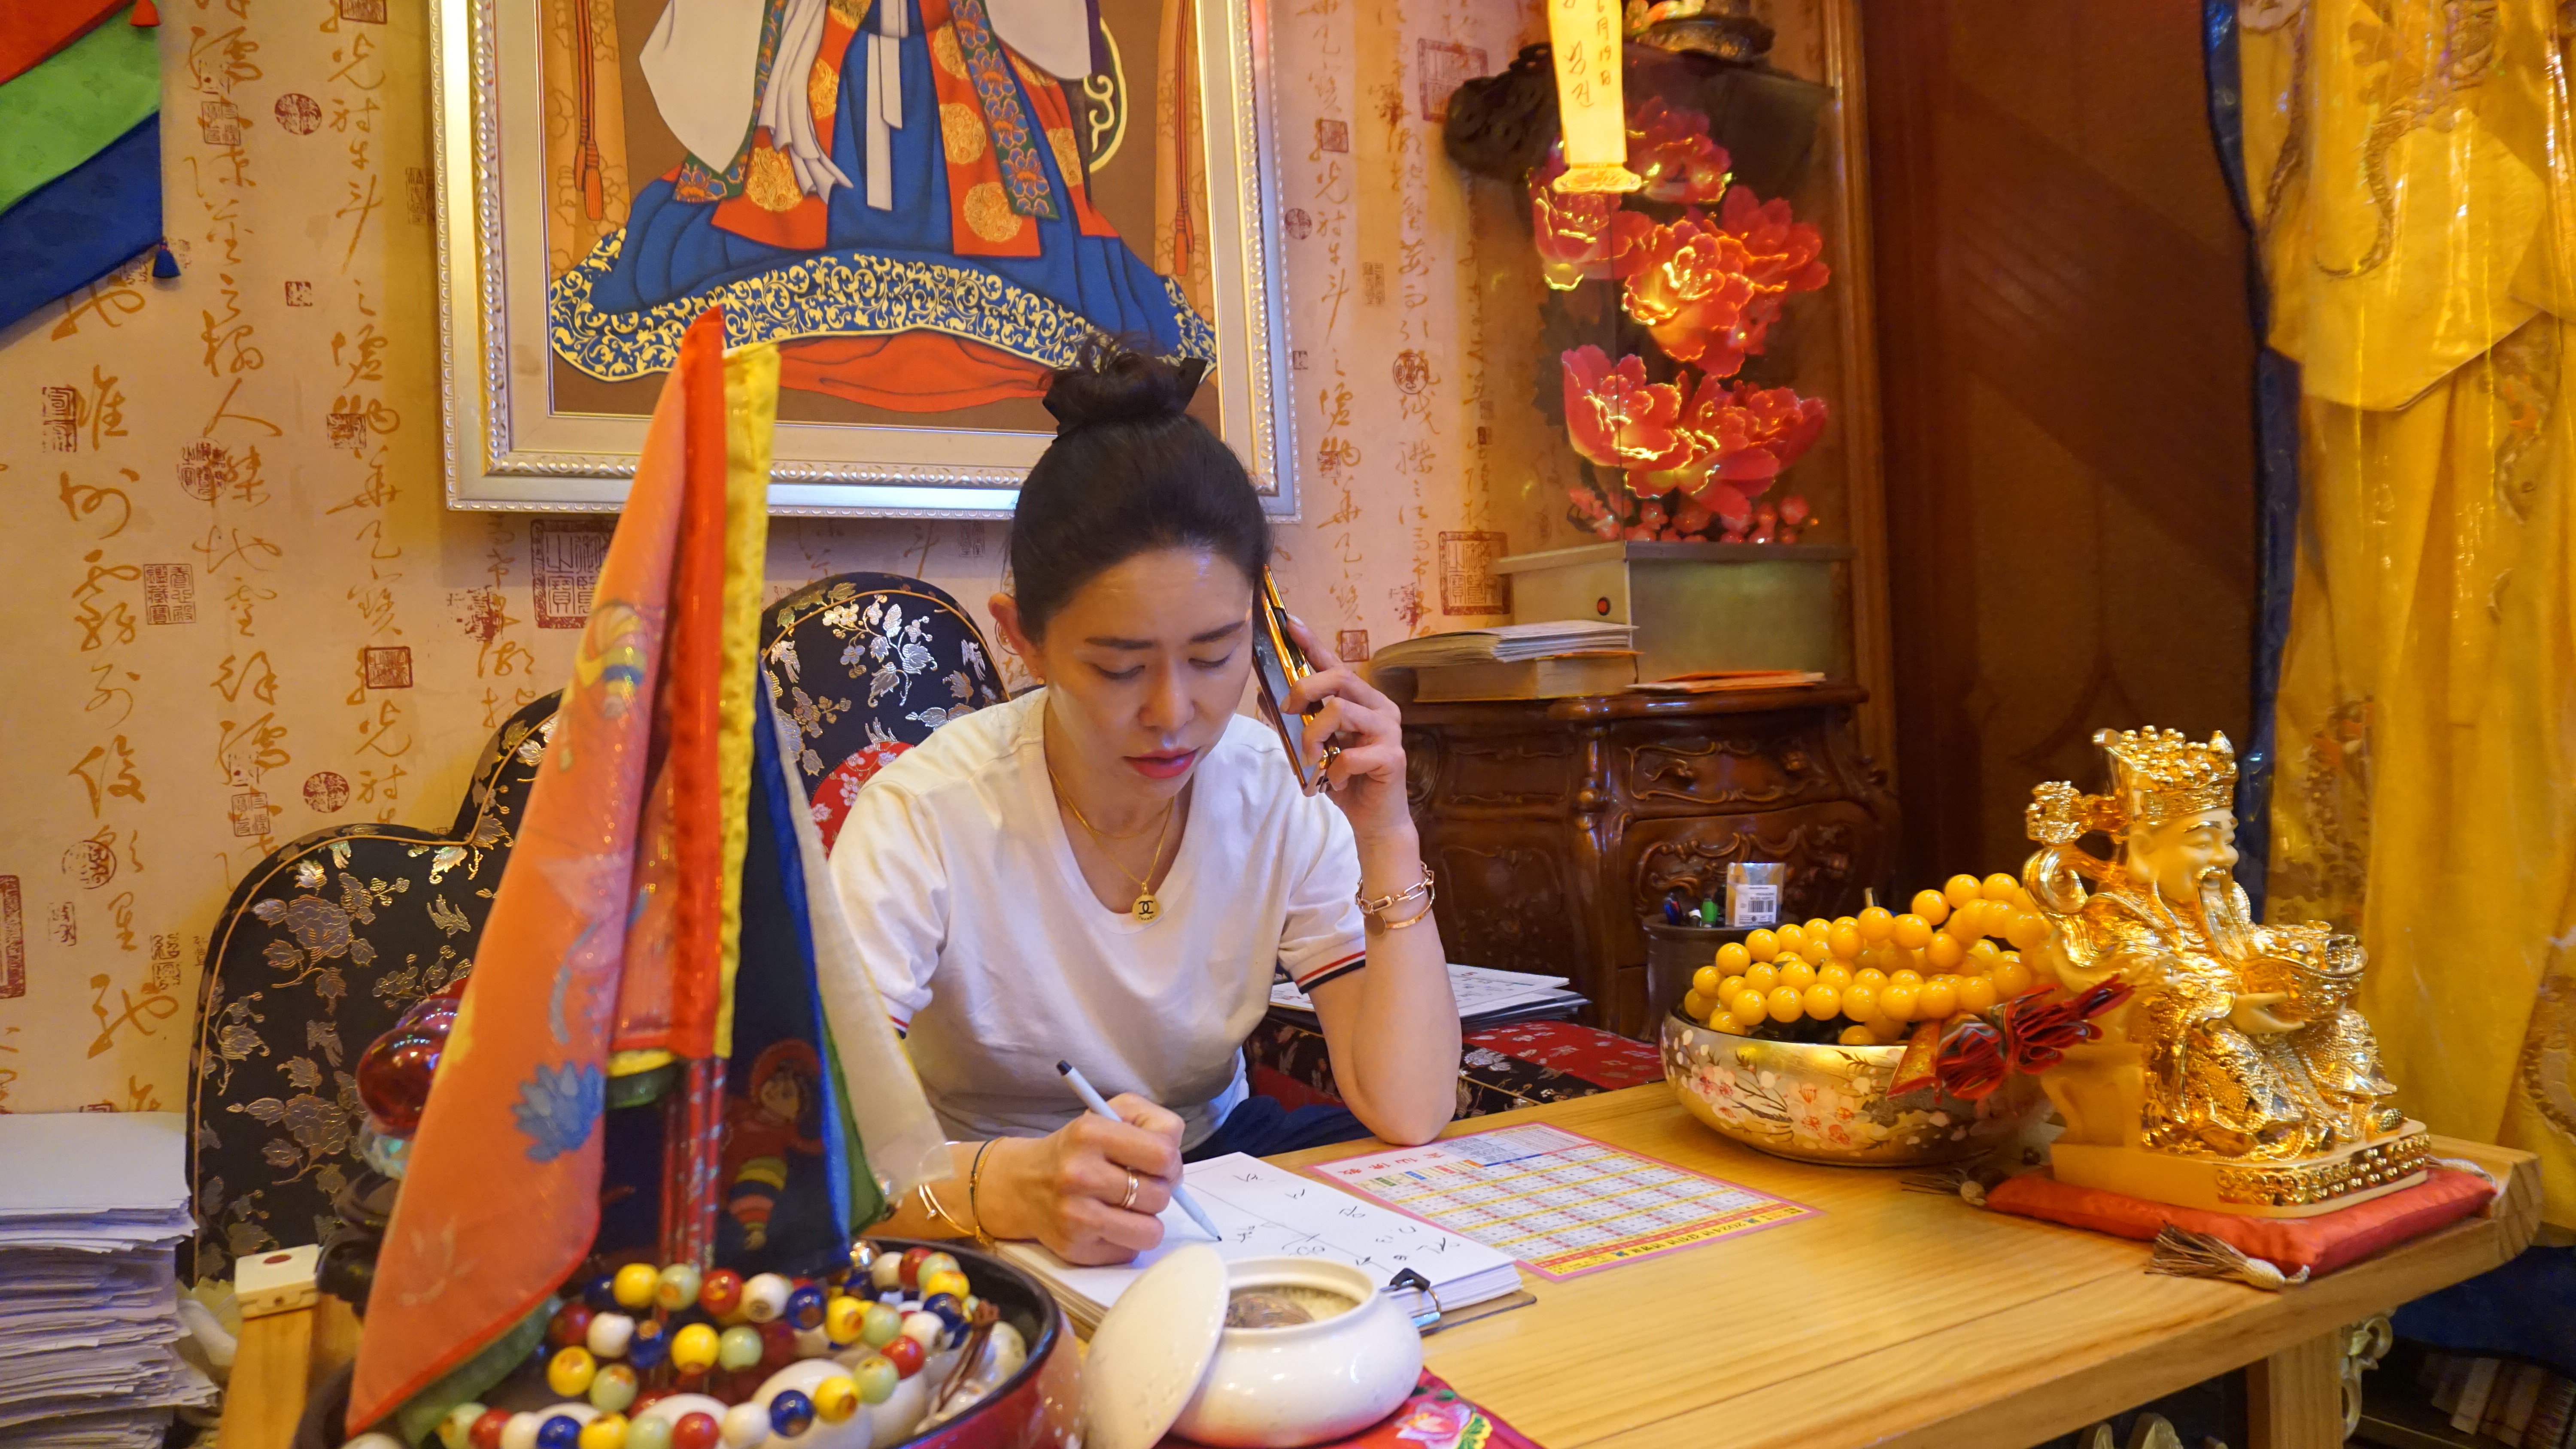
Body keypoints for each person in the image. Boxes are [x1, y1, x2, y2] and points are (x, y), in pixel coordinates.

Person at [829, 340, 1459, 1264]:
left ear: (1265, 634)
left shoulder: (1274, 787)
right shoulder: (926, 812)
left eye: (1214, 656)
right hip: (968, 1182)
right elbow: (823, 1156)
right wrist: (1016, 1185)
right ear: (1025, 639)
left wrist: (1387, 831)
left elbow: (1411, 1108)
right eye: (1119, 667)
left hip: (1210, 1170)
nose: (1173, 713)